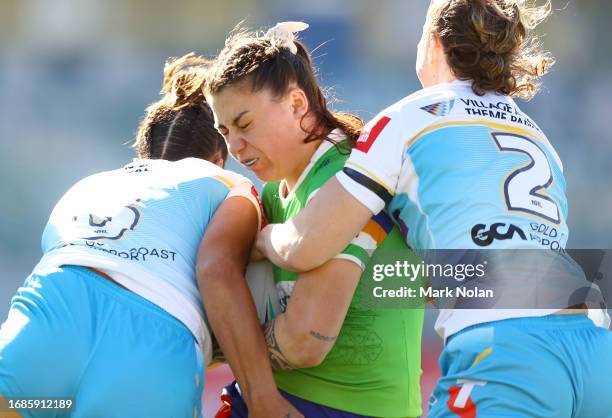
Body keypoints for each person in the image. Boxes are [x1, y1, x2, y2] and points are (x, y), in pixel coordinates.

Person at [255, 3, 612, 417]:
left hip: (508, 348)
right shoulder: (537, 137)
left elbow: (306, 245)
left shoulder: (411, 116)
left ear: (435, 42)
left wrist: (262, 237)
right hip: (594, 344)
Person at [0, 53, 300, 418]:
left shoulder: (90, 184)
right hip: (153, 338)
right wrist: (262, 397)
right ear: (219, 157)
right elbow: (216, 271)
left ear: (143, 153)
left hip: (53, 308)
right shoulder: (229, 185)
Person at [205, 22, 424, 418]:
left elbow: (305, 342)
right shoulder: (272, 192)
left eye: (245, 124)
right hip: (280, 399)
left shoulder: (350, 179)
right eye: (224, 131)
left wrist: (230, 341)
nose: (234, 147)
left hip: (352, 408)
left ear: (296, 104)